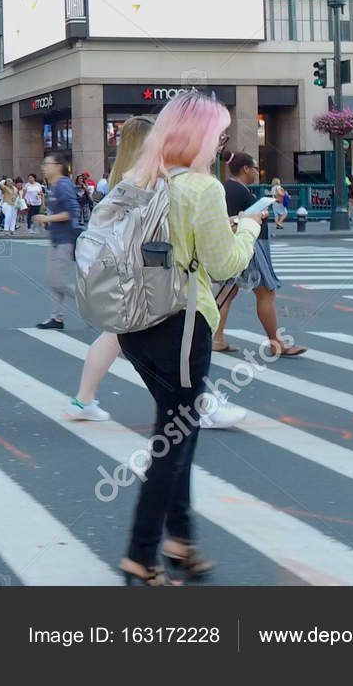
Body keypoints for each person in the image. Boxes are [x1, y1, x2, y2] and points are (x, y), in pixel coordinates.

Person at [113, 91, 261, 586]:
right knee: (172, 442)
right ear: (198, 138)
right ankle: (141, 554)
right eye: (217, 135)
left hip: (134, 325)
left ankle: (181, 541)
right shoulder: (203, 188)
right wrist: (250, 228)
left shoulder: (137, 180)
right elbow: (225, 264)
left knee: (180, 429)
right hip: (180, 326)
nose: (220, 145)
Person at [65, 114, 154, 422]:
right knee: (168, 333)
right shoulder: (143, 176)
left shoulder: (122, 174)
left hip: (123, 264)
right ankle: (196, 404)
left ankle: (82, 400)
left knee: (117, 333)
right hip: (142, 267)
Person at [211, 152, 306, 371]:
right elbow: (233, 218)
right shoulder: (235, 190)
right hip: (250, 245)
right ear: (245, 169)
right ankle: (276, 343)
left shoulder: (229, 188)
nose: (256, 172)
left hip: (241, 243)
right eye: (255, 168)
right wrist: (258, 215)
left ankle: (217, 338)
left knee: (227, 292)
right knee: (265, 293)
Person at [33, 153, 81, 331]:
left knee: (59, 282)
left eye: (47, 164)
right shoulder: (53, 186)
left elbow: (73, 212)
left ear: (58, 166)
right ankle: (56, 318)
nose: (43, 167)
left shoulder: (63, 185)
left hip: (65, 240)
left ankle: (91, 304)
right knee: (52, 280)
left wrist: (46, 219)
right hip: (56, 239)